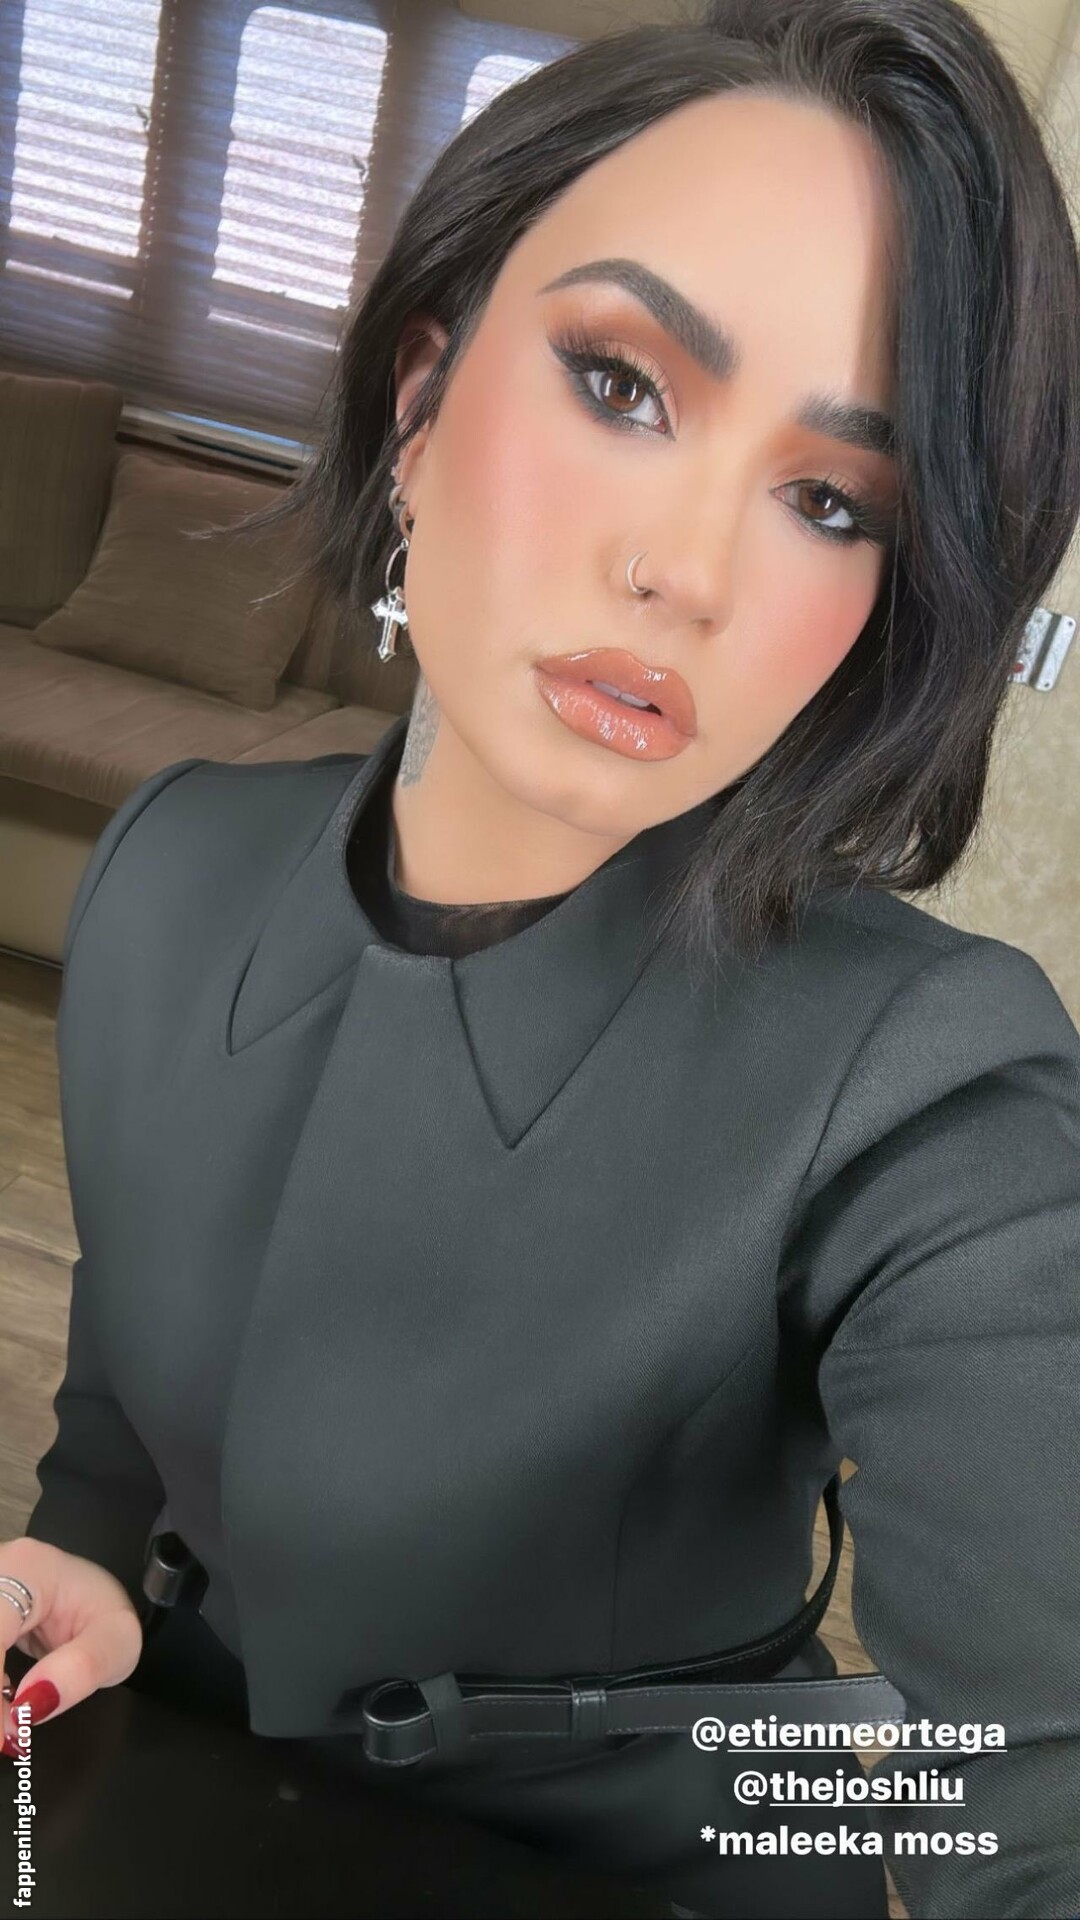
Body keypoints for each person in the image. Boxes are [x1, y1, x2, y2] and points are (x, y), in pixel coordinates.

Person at [2, 1, 1079, 1914]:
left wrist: (839, 1818)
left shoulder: (935, 1089)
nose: (690, 571)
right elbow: (123, 1395)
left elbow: (1023, 1787)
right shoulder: (168, 864)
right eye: (624, 383)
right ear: (422, 403)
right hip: (167, 1806)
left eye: (831, 502)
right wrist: (83, 1549)